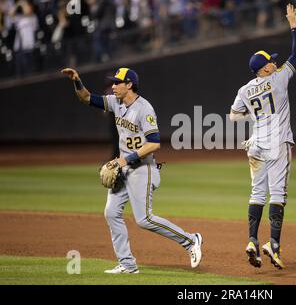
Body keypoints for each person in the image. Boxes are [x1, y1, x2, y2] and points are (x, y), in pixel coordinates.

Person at [61, 67, 203, 273]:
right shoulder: (115, 102)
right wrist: (77, 81)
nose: (113, 86)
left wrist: (123, 160)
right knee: (111, 213)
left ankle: (191, 240)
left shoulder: (144, 109)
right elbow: (86, 98)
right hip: (124, 168)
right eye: (113, 82)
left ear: (129, 85)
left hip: (143, 169)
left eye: (117, 82)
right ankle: (127, 264)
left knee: (144, 219)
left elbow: (154, 144)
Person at [229, 3, 296, 269]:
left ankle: (251, 239)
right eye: (271, 61)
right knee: (278, 194)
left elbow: (233, 115)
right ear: (265, 69)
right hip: (277, 144)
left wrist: (257, 119)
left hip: (256, 144)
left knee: (257, 194)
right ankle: (272, 244)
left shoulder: (244, 90)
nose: (275, 62)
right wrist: (293, 23)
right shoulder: (280, 78)